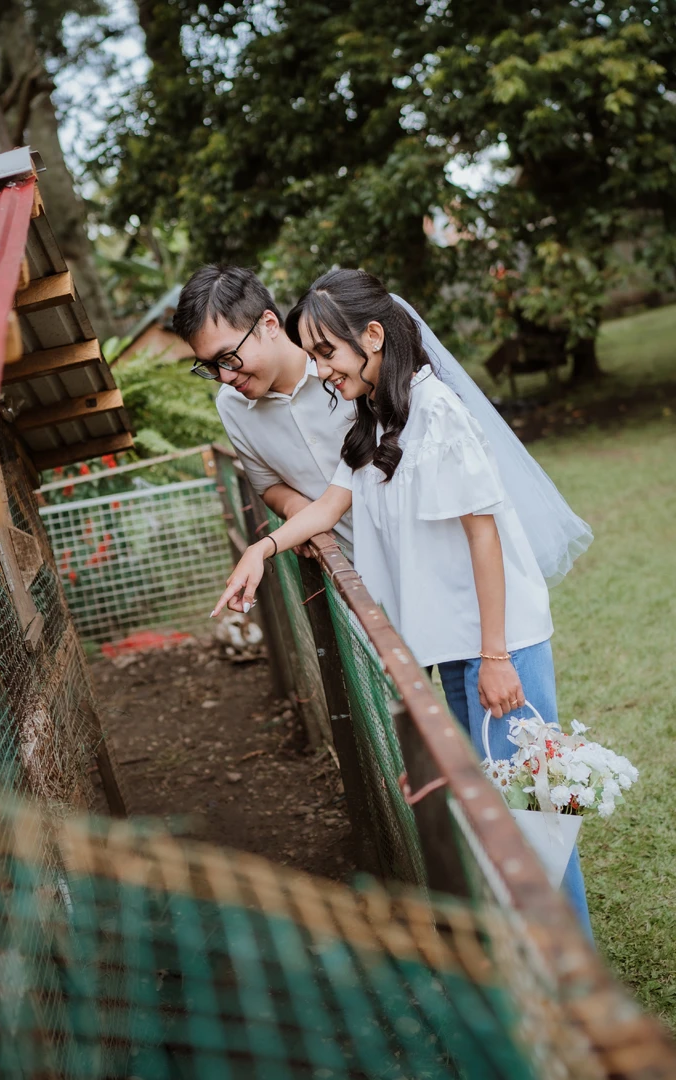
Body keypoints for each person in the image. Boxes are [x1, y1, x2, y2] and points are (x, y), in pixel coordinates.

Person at [211, 268, 593, 936]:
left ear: (374, 337)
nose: (323, 370)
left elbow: (484, 535)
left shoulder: (437, 411)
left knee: (535, 817)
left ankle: (574, 972)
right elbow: (329, 505)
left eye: (327, 352)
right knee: (491, 820)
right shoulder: (372, 421)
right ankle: (531, 966)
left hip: (495, 648)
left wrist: (495, 655)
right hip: (446, 650)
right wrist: (261, 553)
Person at [173, 265, 355, 558]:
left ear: (269, 324)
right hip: (347, 567)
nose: (225, 376)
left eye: (228, 357)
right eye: (209, 366)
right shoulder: (231, 406)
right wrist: (297, 510)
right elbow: (268, 485)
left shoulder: (344, 362)